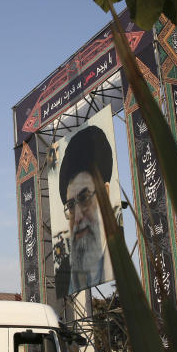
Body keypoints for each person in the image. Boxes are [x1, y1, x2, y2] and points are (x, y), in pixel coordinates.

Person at [57, 125, 114, 293]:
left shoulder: (122, 258)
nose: (78, 217)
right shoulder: (65, 275)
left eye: (84, 198)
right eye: (71, 206)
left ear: (106, 192)